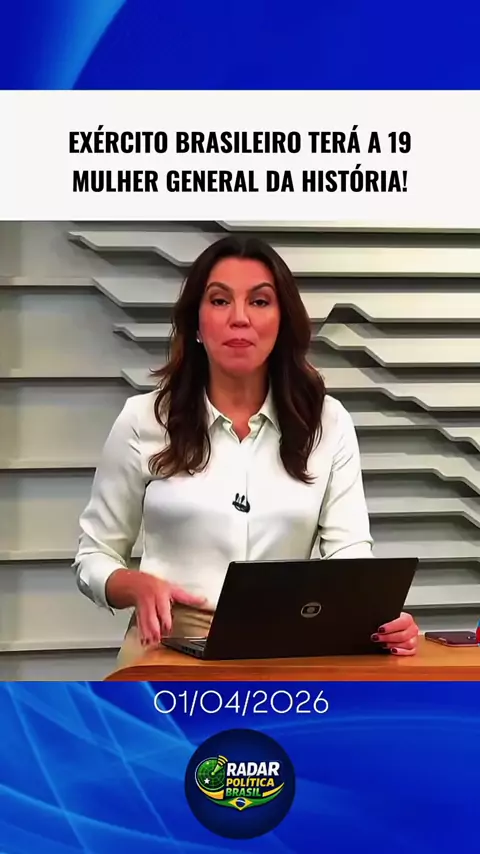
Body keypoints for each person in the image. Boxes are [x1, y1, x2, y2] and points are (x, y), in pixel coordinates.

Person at [73, 235, 419, 665]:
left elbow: (349, 555)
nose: (239, 318)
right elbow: (94, 555)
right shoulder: (143, 420)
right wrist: (136, 586)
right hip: (167, 641)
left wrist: (380, 615)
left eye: (259, 301)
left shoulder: (327, 423)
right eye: (220, 301)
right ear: (195, 323)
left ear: (283, 320)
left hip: (285, 645)